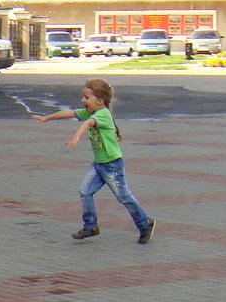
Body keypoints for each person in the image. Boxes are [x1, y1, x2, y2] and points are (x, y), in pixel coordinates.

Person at [31, 78, 155, 243]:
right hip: (98, 165)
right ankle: (91, 226)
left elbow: (88, 123)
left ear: (100, 101)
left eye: (86, 97)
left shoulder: (102, 114)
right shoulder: (91, 112)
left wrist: (76, 136)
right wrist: (47, 118)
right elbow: (70, 113)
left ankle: (145, 223)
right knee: (85, 191)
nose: (83, 100)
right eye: (83, 97)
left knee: (123, 196)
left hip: (112, 165)